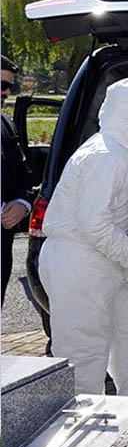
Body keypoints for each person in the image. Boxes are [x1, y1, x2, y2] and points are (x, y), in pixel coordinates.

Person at [39, 77, 128, 396]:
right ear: (123, 116)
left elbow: (125, 214)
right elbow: (94, 225)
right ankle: (81, 436)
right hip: (79, 267)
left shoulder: (125, 153)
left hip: (110, 267)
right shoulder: (104, 156)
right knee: (84, 357)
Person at [1, 55, 33, 301]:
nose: (6, 92)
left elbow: (23, 174)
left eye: (10, 86)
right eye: (1, 85)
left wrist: (22, 205)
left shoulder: (6, 124)